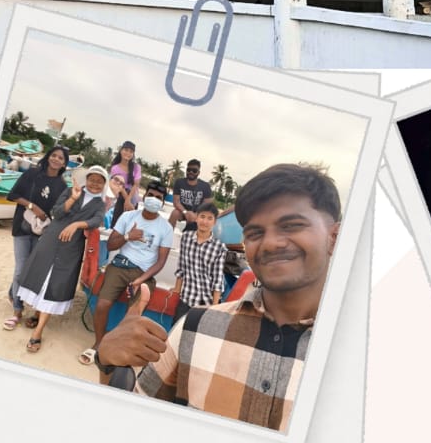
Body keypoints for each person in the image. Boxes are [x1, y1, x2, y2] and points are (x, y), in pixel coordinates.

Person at [93, 162, 341, 428]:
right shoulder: (195, 328)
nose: (270, 243)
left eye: (291, 225)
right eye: (255, 233)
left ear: (335, 236)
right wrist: (107, 363)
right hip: (188, 299)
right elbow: (130, 421)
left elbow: (215, 278)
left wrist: (213, 300)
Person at [17, 166, 110, 352]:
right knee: (41, 277)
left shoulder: (100, 204)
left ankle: (38, 332)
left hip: (71, 247)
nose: (95, 184)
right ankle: (37, 312)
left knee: (56, 283)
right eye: (92, 179)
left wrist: (76, 224)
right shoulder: (70, 191)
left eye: (99, 181)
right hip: (51, 240)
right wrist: (72, 199)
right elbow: (56, 212)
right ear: (86, 179)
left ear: (104, 185)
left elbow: (96, 221)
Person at [90, 181, 175, 356]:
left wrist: (140, 280)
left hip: (144, 273)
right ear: (144, 196)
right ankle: (99, 343)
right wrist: (129, 236)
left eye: (159, 198)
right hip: (120, 265)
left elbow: (161, 262)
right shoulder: (128, 217)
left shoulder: (165, 228)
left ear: (162, 203)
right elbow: (112, 245)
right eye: (150, 195)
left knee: (133, 315)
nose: (153, 199)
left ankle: (119, 346)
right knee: (102, 305)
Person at [3, 144, 70, 330]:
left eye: (61, 158)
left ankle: (12, 291)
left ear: (65, 163)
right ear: (49, 156)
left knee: (28, 269)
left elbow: (59, 211)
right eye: (54, 155)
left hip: (42, 232)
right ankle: (17, 311)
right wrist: (33, 207)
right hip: (23, 226)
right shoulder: (32, 174)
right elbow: (13, 195)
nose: (57, 159)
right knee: (20, 269)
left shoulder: (63, 186)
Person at [173, 202, 227, 324]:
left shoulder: (219, 247)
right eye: (202, 216)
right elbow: (181, 267)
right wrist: (177, 289)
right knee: (174, 334)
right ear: (196, 218)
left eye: (210, 218)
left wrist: (213, 306)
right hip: (186, 299)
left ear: (215, 222)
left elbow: (217, 279)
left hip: (205, 304)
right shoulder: (186, 237)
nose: (205, 221)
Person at [170, 160, 214, 230]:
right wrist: (186, 212)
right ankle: (166, 234)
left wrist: (196, 214)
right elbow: (176, 202)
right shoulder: (179, 182)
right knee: (174, 213)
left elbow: (207, 206)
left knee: (193, 222)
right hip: (182, 211)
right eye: (189, 170)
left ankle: (189, 237)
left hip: (198, 214)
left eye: (194, 170)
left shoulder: (205, 186)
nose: (191, 172)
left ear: (198, 172)